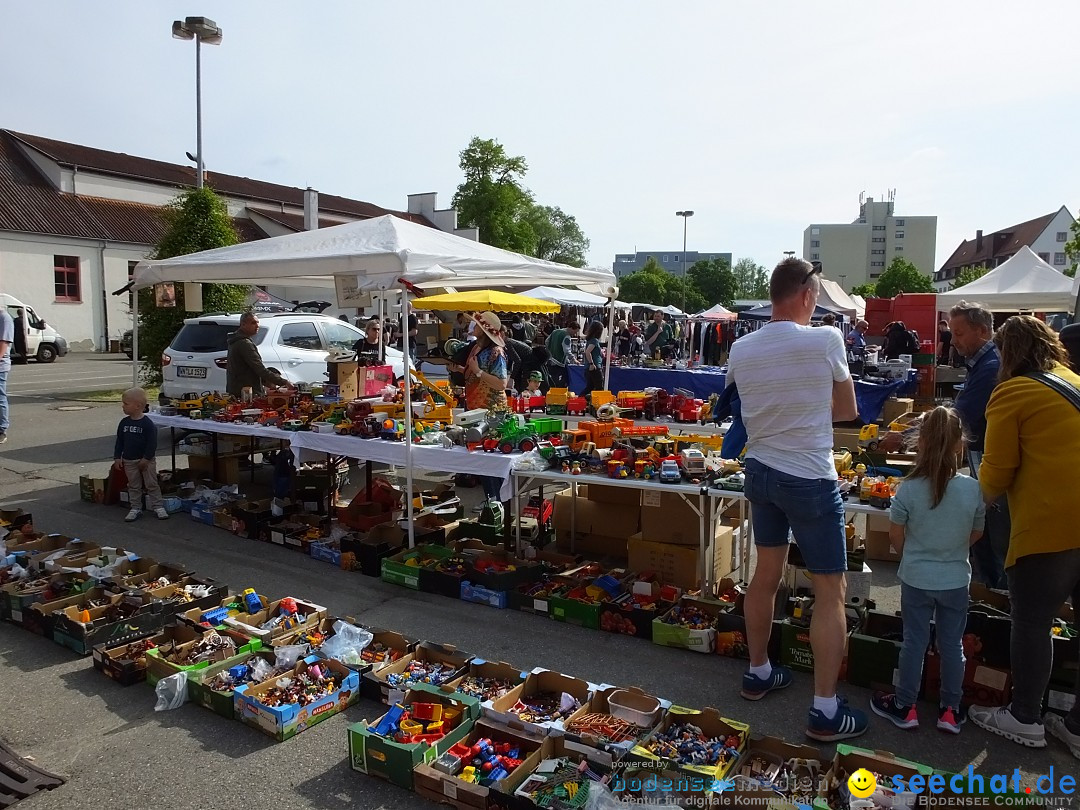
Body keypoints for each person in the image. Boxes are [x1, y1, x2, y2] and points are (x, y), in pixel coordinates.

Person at [726, 257, 863, 742]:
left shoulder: (741, 347)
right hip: (807, 475)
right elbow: (847, 411)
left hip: (760, 472)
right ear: (807, 294)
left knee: (764, 576)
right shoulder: (825, 339)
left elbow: (743, 407)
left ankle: (758, 671)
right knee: (831, 592)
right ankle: (825, 710)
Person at [968, 316, 1080, 757]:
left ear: (1007, 354)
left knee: (1031, 621)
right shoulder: (1072, 379)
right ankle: (1074, 725)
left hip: (1051, 523)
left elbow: (996, 471)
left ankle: (1025, 715)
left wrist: (966, 506)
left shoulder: (1013, 391)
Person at [870, 407, 985, 735]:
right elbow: (976, 533)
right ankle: (950, 709)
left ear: (920, 443)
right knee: (952, 645)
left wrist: (913, 556)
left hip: (917, 577)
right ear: (959, 444)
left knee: (914, 642)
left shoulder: (908, 488)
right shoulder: (972, 489)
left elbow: (895, 534)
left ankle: (905, 706)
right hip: (954, 579)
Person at [948, 300, 1006, 588]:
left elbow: (964, 414)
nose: (953, 341)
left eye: (959, 334)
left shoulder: (990, 366)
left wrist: (922, 428)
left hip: (989, 457)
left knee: (991, 533)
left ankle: (995, 596)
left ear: (982, 331)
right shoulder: (982, 362)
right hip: (981, 455)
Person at [447, 311, 510, 505]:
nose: (472, 328)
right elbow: (473, 374)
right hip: (476, 409)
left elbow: (502, 383)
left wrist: (477, 371)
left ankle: (496, 502)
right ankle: (491, 500)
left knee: (490, 458)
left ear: (483, 330)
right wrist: (458, 369)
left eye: (476, 325)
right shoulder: (476, 348)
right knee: (481, 459)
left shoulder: (495, 352)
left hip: (492, 411)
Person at [113, 387, 167, 522]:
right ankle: (135, 507)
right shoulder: (124, 423)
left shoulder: (148, 424)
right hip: (129, 460)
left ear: (137, 406)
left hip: (146, 461)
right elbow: (119, 441)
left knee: (151, 483)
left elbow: (152, 444)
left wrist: (146, 458)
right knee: (133, 485)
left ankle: (158, 506)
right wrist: (117, 457)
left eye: (126, 403)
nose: (123, 406)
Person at [225, 312, 291, 398]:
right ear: (243, 324)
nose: (257, 326)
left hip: (238, 390)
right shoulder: (244, 343)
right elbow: (259, 369)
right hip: (245, 393)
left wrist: (267, 381)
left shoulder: (236, 340)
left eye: (257, 322)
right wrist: (284, 382)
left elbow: (250, 369)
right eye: (253, 323)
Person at [545, 321, 580, 389]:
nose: (574, 334)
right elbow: (567, 350)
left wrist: (549, 351)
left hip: (550, 359)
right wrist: (574, 359)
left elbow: (546, 341)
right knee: (560, 382)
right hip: (559, 362)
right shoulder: (566, 336)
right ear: (571, 328)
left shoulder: (555, 331)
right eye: (575, 332)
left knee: (551, 380)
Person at [581, 321, 605, 400]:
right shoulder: (594, 340)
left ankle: (581, 399)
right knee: (599, 387)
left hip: (589, 366)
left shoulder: (590, 340)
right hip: (594, 367)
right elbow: (588, 352)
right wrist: (592, 363)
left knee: (590, 386)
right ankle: (596, 402)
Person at [0, 307, 11, 443]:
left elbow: (4, 342)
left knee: (0, 398)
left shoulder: (5, 318)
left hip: (1, 366)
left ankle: (2, 429)